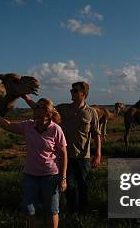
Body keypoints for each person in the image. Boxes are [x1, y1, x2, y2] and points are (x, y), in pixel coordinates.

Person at [0, 98, 67, 228]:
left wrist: (63, 178)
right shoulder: (28, 125)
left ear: (47, 111)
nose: (35, 108)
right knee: (29, 208)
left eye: (39, 106)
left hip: (50, 175)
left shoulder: (55, 129)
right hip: (30, 174)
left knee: (52, 209)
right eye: (36, 107)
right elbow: (7, 125)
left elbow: (64, 154)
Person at [23, 81, 101, 214]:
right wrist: (25, 98)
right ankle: (72, 212)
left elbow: (96, 134)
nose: (72, 92)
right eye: (71, 90)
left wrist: (98, 154)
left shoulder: (91, 112)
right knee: (69, 187)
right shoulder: (63, 109)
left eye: (75, 91)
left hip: (83, 157)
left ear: (84, 94)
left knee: (84, 186)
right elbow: (41, 109)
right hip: (65, 156)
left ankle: (83, 213)